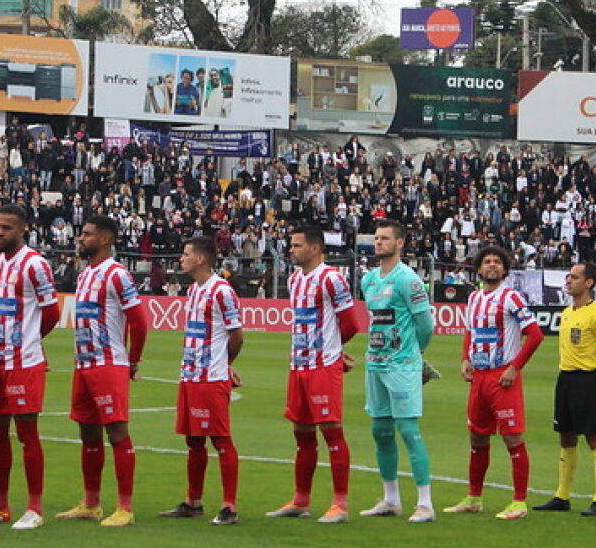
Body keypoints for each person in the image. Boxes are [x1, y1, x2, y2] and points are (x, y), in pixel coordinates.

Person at [0, 205, 59, 530]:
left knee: (27, 433)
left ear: (23, 230)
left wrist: (30, 340)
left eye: (6, 228)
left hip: (24, 361)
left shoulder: (35, 265)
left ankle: (34, 508)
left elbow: (51, 314)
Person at [56, 216, 148, 527]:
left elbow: (139, 321)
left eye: (87, 234)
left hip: (109, 363)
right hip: (83, 364)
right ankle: (91, 502)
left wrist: (133, 360)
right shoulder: (85, 275)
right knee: (87, 431)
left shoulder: (117, 275)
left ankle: (125, 507)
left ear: (105, 239)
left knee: (117, 432)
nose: (80, 239)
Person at [266, 227, 358, 524]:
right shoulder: (294, 280)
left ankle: (340, 504)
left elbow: (351, 324)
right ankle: (301, 499)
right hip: (298, 365)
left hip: (322, 365)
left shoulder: (332, 279)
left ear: (315, 248)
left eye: (296, 245)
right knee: (302, 432)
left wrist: (333, 351)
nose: (290, 250)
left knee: (331, 430)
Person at [445, 245, 544, 520]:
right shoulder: (475, 298)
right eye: (487, 261)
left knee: (513, 438)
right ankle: (474, 497)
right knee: (477, 436)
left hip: (503, 378)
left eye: (497, 262)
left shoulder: (511, 297)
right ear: (478, 268)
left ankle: (519, 501)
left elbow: (535, 335)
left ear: (504, 269)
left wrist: (514, 368)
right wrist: (465, 359)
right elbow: (470, 332)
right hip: (479, 378)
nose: (491, 265)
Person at [160, 236, 244, 525]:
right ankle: (193, 502)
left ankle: (229, 506)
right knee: (194, 440)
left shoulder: (221, 291)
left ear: (201, 259)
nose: (180, 258)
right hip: (190, 375)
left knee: (221, 440)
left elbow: (237, 335)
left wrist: (226, 364)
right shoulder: (194, 289)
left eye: (185, 254)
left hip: (211, 378)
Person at [359, 220, 436, 523]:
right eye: (376, 238)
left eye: (385, 238)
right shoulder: (369, 281)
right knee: (380, 431)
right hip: (375, 362)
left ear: (400, 243)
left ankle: (425, 504)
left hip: (402, 364)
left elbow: (425, 325)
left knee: (408, 430)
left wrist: (414, 355)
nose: (378, 243)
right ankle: (391, 499)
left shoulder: (409, 280)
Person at [533, 260, 596, 517]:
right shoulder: (567, 313)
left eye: (575, 277)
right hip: (565, 378)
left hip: (588, 379)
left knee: (594, 437)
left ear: (589, 283)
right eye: (568, 277)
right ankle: (562, 495)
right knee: (566, 436)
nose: (568, 281)